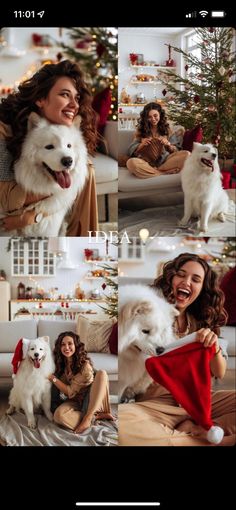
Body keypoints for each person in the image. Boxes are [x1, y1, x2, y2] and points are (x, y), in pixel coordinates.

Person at [119, 253, 236, 445]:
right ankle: (213, 438)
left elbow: (219, 372)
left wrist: (213, 345)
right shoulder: (148, 312)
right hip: (157, 405)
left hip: (200, 403)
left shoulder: (202, 321)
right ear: (171, 278)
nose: (187, 281)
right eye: (181, 275)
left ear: (202, 288)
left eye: (195, 279)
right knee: (122, 426)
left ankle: (192, 430)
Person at [0, 59, 98, 235]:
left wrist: (33, 216)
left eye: (76, 97)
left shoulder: (66, 128)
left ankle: (83, 242)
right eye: (64, 94)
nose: (74, 105)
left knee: (87, 168)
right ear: (40, 99)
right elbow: (7, 200)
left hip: (40, 213)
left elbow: (71, 180)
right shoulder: (4, 128)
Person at [49, 331, 114, 434]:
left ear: (76, 345)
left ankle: (88, 418)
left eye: (70, 343)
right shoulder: (61, 363)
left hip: (91, 400)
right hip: (76, 400)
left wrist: (52, 378)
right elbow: (69, 395)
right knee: (58, 416)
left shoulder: (85, 366)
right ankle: (95, 417)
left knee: (102, 373)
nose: (66, 347)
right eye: (63, 344)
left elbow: (70, 391)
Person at [126, 102, 190, 179]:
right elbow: (130, 150)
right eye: (149, 117)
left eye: (155, 115)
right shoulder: (141, 131)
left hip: (166, 161)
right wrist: (141, 144)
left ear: (160, 114)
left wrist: (168, 144)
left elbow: (177, 150)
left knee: (187, 154)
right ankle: (162, 172)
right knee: (131, 163)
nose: (153, 119)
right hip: (147, 163)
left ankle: (154, 171)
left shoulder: (168, 130)